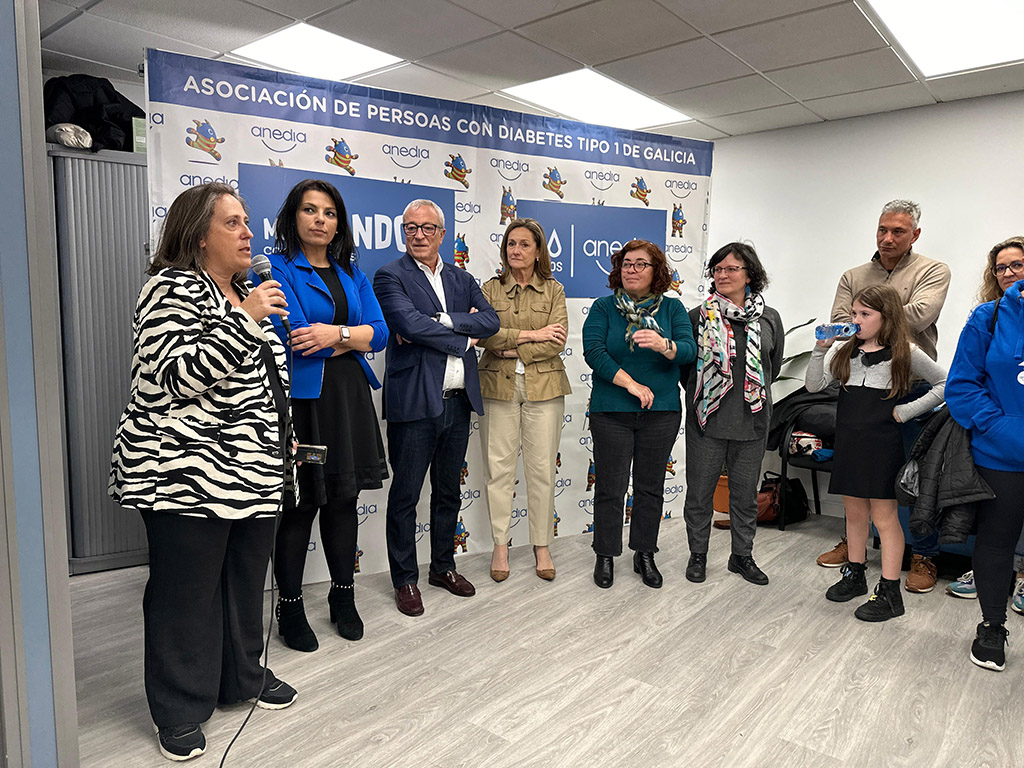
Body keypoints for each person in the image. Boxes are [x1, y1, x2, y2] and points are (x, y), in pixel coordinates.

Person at [108, 183, 297, 762]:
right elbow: (175, 376)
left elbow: (266, 382)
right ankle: (180, 707)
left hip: (253, 472)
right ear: (197, 235)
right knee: (185, 594)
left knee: (242, 583)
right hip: (185, 472)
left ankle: (241, 676)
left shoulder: (243, 291)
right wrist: (245, 318)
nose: (248, 232)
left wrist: (283, 443)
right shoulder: (169, 289)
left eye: (247, 221)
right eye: (232, 223)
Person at [257, 179, 389, 650]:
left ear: (339, 224)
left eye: (329, 213)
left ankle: (342, 596)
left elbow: (380, 332)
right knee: (301, 503)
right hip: (305, 404)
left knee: (344, 500)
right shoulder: (275, 268)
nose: (320, 220)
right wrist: (352, 337)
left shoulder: (351, 272)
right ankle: (290, 607)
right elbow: (292, 335)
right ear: (293, 217)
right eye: (310, 210)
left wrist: (335, 335)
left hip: (349, 400)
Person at [818, 200, 952, 595]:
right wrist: (869, 318)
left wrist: (877, 313)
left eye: (898, 231)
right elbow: (841, 325)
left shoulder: (932, 270)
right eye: (882, 229)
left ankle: (923, 554)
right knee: (860, 493)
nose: (888, 238)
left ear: (915, 234)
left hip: (910, 388)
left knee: (909, 484)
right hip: (861, 390)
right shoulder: (853, 274)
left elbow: (920, 316)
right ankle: (855, 553)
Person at [373, 199, 499, 616]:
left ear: (442, 234)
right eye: (411, 227)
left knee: (449, 492)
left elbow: (491, 321)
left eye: (427, 227)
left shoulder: (462, 278)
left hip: (458, 403)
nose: (419, 235)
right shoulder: (390, 275)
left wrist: (441, 321)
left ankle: (443, 567)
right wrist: (464, 335)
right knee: (406, 496)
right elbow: (407, 323)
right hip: (414, 403)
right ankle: (405, 579)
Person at [806, 284, 946, 622]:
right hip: (850, 445)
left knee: (884, 518)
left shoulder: (906, 352)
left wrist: (906, 411)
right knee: (854, 514)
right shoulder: (843, 352)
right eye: (854, 313)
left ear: (886, 317)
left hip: (882, 447)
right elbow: (813, 385)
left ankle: (889, 592)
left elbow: (946, 384)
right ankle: (855, 574)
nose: (856, 320)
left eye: (865, 314)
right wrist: (820, 349)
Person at [583, 239, 696, 589]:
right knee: (610, 487)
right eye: (626, 264)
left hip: (661, 412)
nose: (630, 270)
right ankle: (605, 554)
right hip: (611, 410)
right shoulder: (603, 307)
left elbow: (688, 351)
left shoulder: (673, 309)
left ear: (656, 271)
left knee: (650, 487)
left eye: (639, 264)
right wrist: (631, 384)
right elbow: (594, 351)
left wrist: (665, 345)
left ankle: (644, 553)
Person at [682, 242, 784, 586]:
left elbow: (773, 366)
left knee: (744, 495)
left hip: (752, 422)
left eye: (731, 269)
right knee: (699, 494)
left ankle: (742, 556)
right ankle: (698, 554)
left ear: (750, 275)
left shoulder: (769, 318)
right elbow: (686, 371)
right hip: (707, 421)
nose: (722, 275)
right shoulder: (697, 317)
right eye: (717, 269)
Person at [477, 218, 571, 581]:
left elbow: (556, 340)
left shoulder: (554, 290)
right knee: (498, 469)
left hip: (544, 387)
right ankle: (500, 546)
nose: (516, 250)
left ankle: (541, 545)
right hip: (496, 387)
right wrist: (532, 335)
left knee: (542, 469)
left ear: (538, 251)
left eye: (524, 244)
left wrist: (509, 348)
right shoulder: (489, 289)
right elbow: (484, 335)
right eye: (511, 244)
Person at [945, 239, 1024, 670]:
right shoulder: (987, 317)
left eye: (1018, 264)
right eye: (1001, 267)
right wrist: (998, 428)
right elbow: (961, 385)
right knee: (996, 543)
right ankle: (993, 626)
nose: (1009, 273)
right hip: (1000, 456)